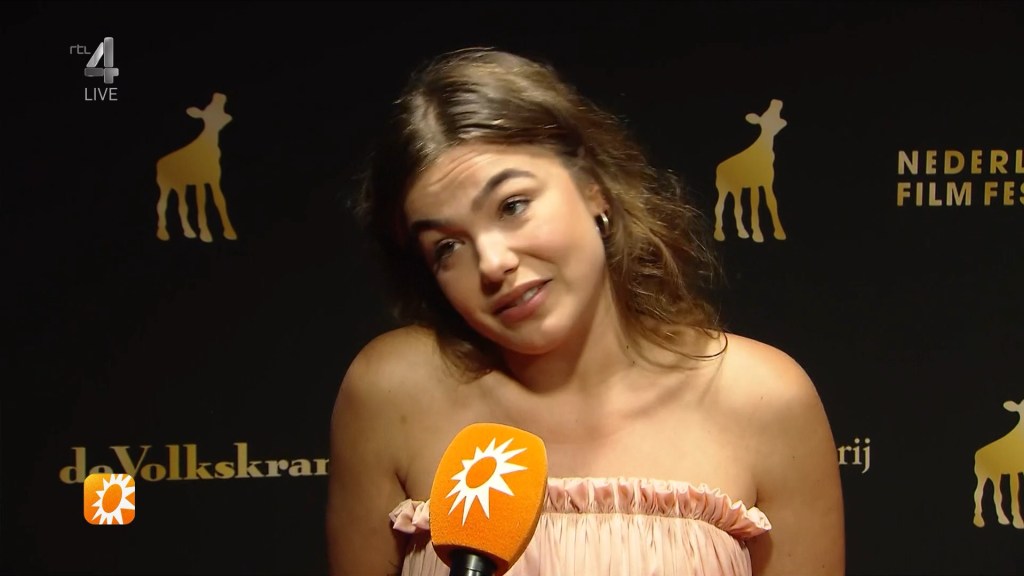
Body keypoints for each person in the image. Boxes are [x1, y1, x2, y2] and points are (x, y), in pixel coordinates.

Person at [326, 47, 844, 576]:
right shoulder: (389, 393)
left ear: (593, 189)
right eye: (447, 247)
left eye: (512, 205)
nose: (493, 263)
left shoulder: (764, 400)